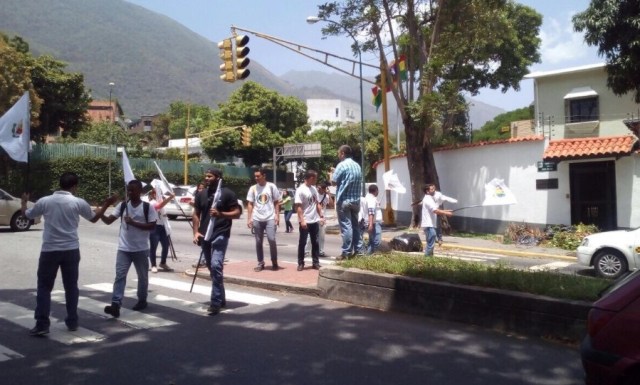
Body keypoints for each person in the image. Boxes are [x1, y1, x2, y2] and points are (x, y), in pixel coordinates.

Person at [21, 172, 117, 336]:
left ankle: (42, 323)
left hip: (50, 250)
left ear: (60, 184)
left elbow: (27, 215)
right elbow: (94, 218)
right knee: (71, 287)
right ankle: (72, 321)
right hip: (71, 250)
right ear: (74, 186)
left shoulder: (45, 201)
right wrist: (107, 203)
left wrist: (23, 202)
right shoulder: (77, 202)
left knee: (44, 287)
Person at [101, 179, 158, 317]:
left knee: (142, 277)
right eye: (128, 190)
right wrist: (102, 211)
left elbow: (152, 226)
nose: (130, 193)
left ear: (140, 191)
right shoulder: (123, 206)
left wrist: (133, 223)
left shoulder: (147, 207)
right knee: (120, 276)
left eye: (133, 190)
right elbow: (109, 221)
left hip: (141, 249)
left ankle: (142, 300)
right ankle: (115, 304)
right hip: (124, 249)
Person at [200, 169, 241, 315]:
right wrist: (196, 232)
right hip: (205, 235)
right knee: (213, 270)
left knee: (216, 266)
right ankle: (221, 297)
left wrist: (221, 214)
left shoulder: (227, 193)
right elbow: (195, 213)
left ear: (218, 178)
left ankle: (215, 302)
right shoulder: (202, 193)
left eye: (210, 176)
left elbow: (237, 213)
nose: (207, 178)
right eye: (206, 176)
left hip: (221, 233)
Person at [331, 145, 363, 260]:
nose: (339, 155)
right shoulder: (357, 166)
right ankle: (359, 251)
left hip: (344, 200)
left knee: (346, 227)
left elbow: (333, 182)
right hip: (356, 201)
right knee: (356, 227)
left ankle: (346, 252)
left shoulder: (341, 165)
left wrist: (332, 174)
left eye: (339, 153)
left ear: (343, 153)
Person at [246, 168, 281, 271]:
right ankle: (260, 263)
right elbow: (250, 204)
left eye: (258, 176)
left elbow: (276, 202)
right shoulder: (253, 188)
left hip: (270, 217)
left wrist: (277, 215)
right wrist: (249, 218)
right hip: (257, 218)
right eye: (255, 176)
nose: (256, 178)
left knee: (271, 239)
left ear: (264, 176)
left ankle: (274, 261)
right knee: (258, 241)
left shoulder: (271, 186)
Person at [295, 170, 325, 271]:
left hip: (314, 220)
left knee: (315, 242)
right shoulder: (300, 190)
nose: (316, 180)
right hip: (305, 220)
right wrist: (302, 220)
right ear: (311, 178)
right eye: (315, 178)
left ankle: (315, 262)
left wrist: (321, 215)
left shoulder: (314, 189)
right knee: (302, 243)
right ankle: (300, 263)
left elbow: (317, 204)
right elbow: (298, 206)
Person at [148, 189, 176, 273]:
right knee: (154, 247)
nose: (159, 195)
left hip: (163, 227)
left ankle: (163, 262)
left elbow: (163, 210)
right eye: (157, 194)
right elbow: (158, 206)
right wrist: (170, 198)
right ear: (153, 195)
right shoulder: (151, 203)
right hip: (155, 227)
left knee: (166, 245)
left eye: (160, 193)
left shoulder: (162, 201)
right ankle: (153, 265)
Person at [421, 184, 453, 256]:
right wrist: (447, 213)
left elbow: (436, 209)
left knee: (430, 243)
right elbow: (435, 211)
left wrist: (447, 210)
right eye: (432, 189)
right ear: (427, 191)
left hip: (430, 224)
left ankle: (429, 260)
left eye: (434, 189)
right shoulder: (428, 199)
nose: (434, 190)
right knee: (430, 244)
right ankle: (427, 260)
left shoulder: (430, 199)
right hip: (428, 225)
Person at [305, 180, 331, 257]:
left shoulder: (325, 196)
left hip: (322, 218)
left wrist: (329, 194)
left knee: (321, 235)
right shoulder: (314, 194)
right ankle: (306, 251)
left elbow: (331, 204)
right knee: (311, 235)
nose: (321, 189)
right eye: (321, 187)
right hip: (314, 217)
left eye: (324, 188)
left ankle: (321, 251)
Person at [363, 184, 383, 254]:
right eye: (378, 191)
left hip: (372, 223)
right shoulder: (371, 199)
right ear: (376, 191)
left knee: (370, 242)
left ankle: (368, 256)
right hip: (374, 223)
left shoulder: (368, 198)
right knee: (376, 241)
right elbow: (371, 211)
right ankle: (373, 256)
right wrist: (371, 224)